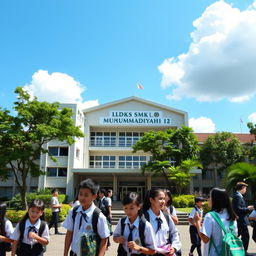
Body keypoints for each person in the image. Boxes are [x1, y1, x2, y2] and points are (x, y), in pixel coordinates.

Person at [63, 178, 110, 256]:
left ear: (94, 196)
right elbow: (69, 233)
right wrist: (65, 253)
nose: (82, 198)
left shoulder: (99, 216)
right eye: (80, 194)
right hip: (74, 253)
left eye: (86, 195)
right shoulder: (73, 212)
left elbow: (104, 239)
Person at [194, 188, 238, 256]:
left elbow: (205, 239)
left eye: (210, 197)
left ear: (215, 200)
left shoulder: (210, 216)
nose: (208, 199)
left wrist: (197, 222)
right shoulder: (232, 216)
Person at [143, 188, 181, 255]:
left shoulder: (166, 217)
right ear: (151, 200)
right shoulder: (143, 218)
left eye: (164, 199)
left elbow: (174, 233)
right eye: (160, 199)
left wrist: (174, 247)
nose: (163, 201)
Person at [232, 182, 254, 253]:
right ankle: (244, 252)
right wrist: (248, 209)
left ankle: (242, 251)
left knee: (240, 236)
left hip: (241, 220)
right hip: (241, 221)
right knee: (245, 236)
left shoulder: (238, 196)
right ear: (242, 188)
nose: (246, 190)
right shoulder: (237, 196)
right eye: (245, 188)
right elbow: (237, 209)